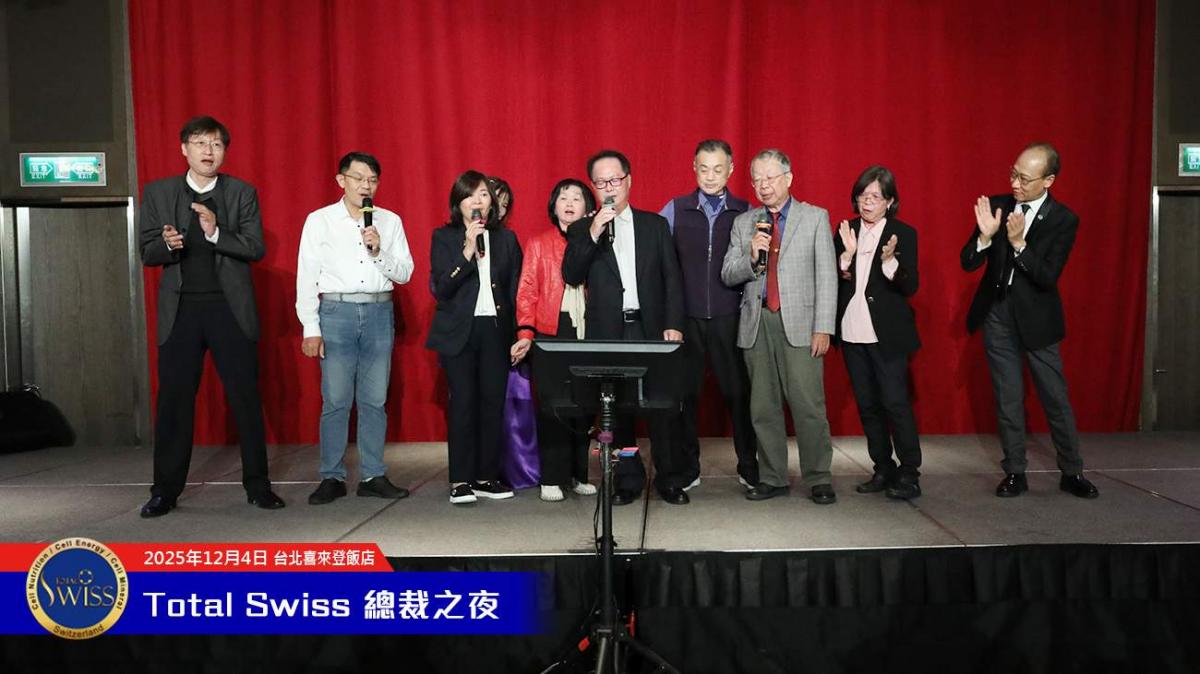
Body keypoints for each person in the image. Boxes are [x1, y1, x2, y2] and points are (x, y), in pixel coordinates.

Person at [137, 115, 284, 517]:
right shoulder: (158, 192)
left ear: (224, 152)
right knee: (174, 401)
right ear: (184, 149)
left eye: (217, 144)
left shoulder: (241, 193)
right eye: (201, 143)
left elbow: (255, 247)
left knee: (245, 398)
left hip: (229, 309)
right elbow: (147, 252)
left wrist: (216, 231)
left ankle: (258, 486)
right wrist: (168, 244)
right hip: (181, 310)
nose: (209, 151)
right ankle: (164, 491)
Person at [961, 143, 1099, 499]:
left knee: (1055, 398)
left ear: (1048, 180)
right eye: (1013, 174)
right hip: (998, 315)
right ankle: (1015, 472)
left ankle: (1072, 471)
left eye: (1024, 178)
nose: (1015, 183)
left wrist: (1020, 245)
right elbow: (967, 262)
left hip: (1038, 320)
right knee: (1007, 398)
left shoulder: (1063, 219)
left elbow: (1047, 276)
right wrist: (984, 237)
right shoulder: (998, 205)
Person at [562, 149, 688, 506]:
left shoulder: (655, 225)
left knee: (661, 406)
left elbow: (672, 279)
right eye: (601, 183)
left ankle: (669, 478)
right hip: (608, 330)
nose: (609, 188)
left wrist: (674, 324)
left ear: (628, 181)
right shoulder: (582, 229)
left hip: (651, 328)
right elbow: (571, 274)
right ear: (593, 187)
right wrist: (593, 231)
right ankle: (627, 479)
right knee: (617, 411)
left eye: (614, 180)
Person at [720, 148, 838, 505]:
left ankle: (818, 477)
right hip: (757, 324)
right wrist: (751, 256)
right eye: (756, 179)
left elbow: (827, 276)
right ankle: (772, 476)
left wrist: (823, 327)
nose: (763, 185)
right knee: (763, 407)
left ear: (788, 178)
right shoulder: (744, 223)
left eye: (770, 178)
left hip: (800, 323)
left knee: (808, 404)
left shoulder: (814, 217)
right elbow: (728, 273)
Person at [296, 152, 414, 505]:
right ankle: (331, 476)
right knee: (336, 399)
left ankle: (373, 475)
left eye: (372, 180)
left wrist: (378, 252)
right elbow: (307, 274)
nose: (366, 186)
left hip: (379, 310)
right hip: (336, 311)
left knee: (375, 399)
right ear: (341, 180)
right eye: (359, 178)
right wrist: (310, 326)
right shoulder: (320, 220)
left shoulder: (389, 221)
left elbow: (404, 273)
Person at [659, 139, 758, 493]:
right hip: (686, 319)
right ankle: (688, 468)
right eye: (704, 169)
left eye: (718, 169)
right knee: (686, 397)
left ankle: (749, 465)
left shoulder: (746, 212)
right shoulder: (675, 209)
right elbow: (659, 261)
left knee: (739, 394)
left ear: (731, 170)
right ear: (694, 168)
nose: (711, 176)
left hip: (730, 316)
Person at [426, 170, 523, 504]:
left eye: (483, 195)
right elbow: (442, 288)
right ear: (459, 203)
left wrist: (519, 333)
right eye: (470, 195)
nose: (477, 201)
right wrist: (467, 250)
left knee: (492, 405)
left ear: (492, 203)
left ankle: (485, 476)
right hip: (460, 333)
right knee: (463, 404)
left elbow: (515, 289)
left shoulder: (506, 239)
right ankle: (460, 480)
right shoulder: (444, 237)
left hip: (495, 330)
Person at [833, 166, 922, 500]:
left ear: (890, 201)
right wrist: (846, 257)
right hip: (851, 330)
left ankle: (909, 472)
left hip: (887, 334)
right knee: (868, 405)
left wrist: (888, 263)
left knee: (896, 403)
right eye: (862, 195)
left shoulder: (903, 233)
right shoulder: (846, 230)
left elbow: (910, 286)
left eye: (875, 196)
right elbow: (834, 279)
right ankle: (883, 467)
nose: (867, 202)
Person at [512, 179, 598, 502]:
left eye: (577, 197)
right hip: (551, 330)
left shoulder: (597, 241)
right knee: (552, 405)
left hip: (588, 330)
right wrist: (526, 333)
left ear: (588, 208)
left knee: (584, 404)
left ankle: (578, 474)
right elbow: (527, 291)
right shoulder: (538, 243)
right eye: (564, 197)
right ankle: (551, 476)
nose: (570, 203)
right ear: (554, 205)